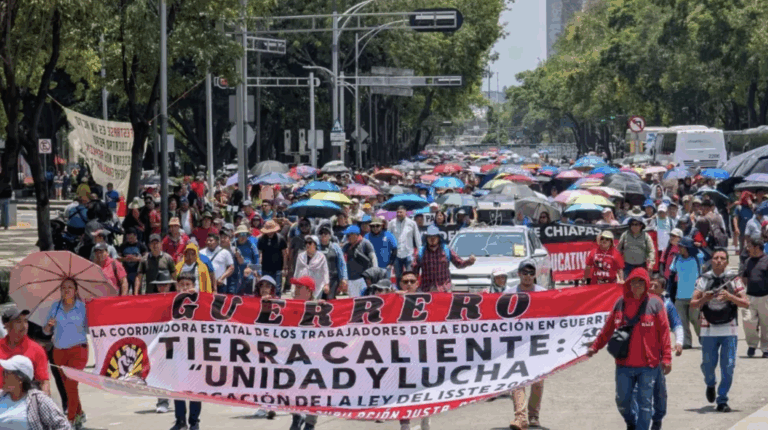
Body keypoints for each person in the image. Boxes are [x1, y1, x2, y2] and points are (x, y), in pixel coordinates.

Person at [587, 268, 672, 430]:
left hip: (649, 365)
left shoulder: (655, 303)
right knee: (622, 401)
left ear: (646, 284)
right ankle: (631, 422)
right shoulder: (620, 303)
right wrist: (595, 347)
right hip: (624, 364)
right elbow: (608, 329)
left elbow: (665, 333)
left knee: (645, 404)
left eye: (641, 281)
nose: (637, 285)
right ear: (628, 283)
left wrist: (667, 358)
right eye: (634, 281)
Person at [690, 248, 749, 413]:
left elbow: (745, 303)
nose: (718, 261)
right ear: (711, 261)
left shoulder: (734, 279)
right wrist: (704, 298)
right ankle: (710, 383)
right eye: (715, 258)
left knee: (728, 367)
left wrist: (730, 297)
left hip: (729, 329)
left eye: (722, 258)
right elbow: (693, 303)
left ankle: (722, 400)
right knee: (708, 365)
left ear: (727, 261)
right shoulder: (704, 279)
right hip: (708, 329)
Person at [506, 260, 547, 430]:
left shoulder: (544, 294)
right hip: (517, 344)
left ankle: (533, 416)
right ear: (519, 274)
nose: (528, 277)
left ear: (535, 275)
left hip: (538, 344)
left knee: (537, 382)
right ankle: (520, 417)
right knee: (518, 380)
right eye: (525, 273)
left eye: (531, 273)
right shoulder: (508, 294)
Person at [42, 278, 88, 427]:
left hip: (78, 351)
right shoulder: (55, 307)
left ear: (75, 291)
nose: (66, 290)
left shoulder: (83, 307)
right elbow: (46, 330)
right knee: (69, 387)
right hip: (59, 352)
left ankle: (70, 420)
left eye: (69, 287)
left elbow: (92, 326)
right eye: (63, 288)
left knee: (71, 385)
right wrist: (49, 326)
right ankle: (80, 414)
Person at [640, 278, 684, 430]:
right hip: (640, 355)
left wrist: (679, 342)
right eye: (650, 284)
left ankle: (658, 418)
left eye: (655, 286)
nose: (651, 287)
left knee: (659, 392)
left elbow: (677, 324)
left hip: (658, 356)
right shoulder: (638, 302)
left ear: (662, 290)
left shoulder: (667, 305)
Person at [0, 355, 69, 430]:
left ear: (20, 378)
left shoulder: (38, 400)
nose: (2, 376)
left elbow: (63, 426)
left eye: (6, 372)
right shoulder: (1, 397)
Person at [170, 272, 203, 430]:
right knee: (178, 387)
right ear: (177, 286)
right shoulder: (170, 302)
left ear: (193, 286)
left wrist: (197, 297)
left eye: (187, 285)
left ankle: (194, 421)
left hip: (196, 350)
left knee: (195, 388)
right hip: (177, 350)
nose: (184, 287)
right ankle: (180, 420)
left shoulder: (202, 301)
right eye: (181, 285)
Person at [288, 275, 319, 430]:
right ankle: (296, 416)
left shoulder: (320, 308)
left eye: (299, 287)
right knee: (292, 388)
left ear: (309, 291)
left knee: (313, 392)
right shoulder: (290, 306)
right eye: (295, 287)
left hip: (314, 358)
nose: (295, 290)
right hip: (294, 357)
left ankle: (310, 423)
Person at [0, 308, 50, 397]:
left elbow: (43, 382)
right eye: (18, 321)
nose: (24, 325)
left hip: (25, 403)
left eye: (26, 321)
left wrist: (45, 404)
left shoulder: (37, 349)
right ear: (6, 325)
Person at [413, 225, 475, 292]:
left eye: (435, 237)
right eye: (430, 237)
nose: (432, 239)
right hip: (426, 290)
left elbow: (459, 264)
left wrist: (469, 261)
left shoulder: (446, 250)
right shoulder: (420, 252)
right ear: (426, 238)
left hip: (444, 290)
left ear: (439, 238)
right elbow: (414, 271)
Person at [670, 237, 704, 349]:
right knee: (682, 321)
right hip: (679, 296)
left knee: (695, 318)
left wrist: (698, 246)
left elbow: (707, 254)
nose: (678, 248)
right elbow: (671, 274)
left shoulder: (697, 258)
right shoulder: (676, 259)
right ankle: (686, 342)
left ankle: (703, 337)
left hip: (694, 295)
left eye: (681, 246)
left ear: (687, 248)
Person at [741, 235, 768, 358]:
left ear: (757, 247)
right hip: (750, 296)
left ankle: (766, 348)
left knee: (766, 324)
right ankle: (752, 345)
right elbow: (745, 277)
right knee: (748, 321)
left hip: (765, 297)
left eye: (749, 246)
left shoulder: (767, 260)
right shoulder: (748, 261)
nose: (747, 248)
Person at [342, 225, 378, 297]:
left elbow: (373, 259)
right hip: (351, 279)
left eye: (349, 235)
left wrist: (373, 274)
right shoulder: (346, 246)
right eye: (347, 235)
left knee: (365, 298)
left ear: (355, 235)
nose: (347, 237)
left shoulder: (365, 243)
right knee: (353, 300)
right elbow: (342, 262)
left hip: (363, 279)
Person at [388, 206, 421, 284]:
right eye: (397, 212)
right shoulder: (391, 223)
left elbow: (417, 238)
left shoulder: (412, 223)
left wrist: (419, 252)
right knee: (398, 276)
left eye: (401, 212)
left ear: (405, 212)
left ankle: (410, 293)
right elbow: (388, 237)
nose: (399, 214)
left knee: (410, 276)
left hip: (408, 254)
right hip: (396, 254)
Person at [293, 235, 329, 299]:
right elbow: (297, 270)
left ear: (315, 244)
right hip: (303, 286)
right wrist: (294, 285)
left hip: (317, 284)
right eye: (306, 243)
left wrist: (326, 284)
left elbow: (325, 271)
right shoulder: (300, 256)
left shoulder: (321, 257)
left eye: (310, 243)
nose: (307, 245)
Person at [257, 220, 288, 295]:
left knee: (277, 289)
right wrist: (258, 267)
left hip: (277, 268)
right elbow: (259, 253)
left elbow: (285, 253)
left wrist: (285, 267)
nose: (270, 233)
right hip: (265, 267)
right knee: (265, 288)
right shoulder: (261, 239)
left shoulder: (281, 239)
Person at [317, 226, 348, 299]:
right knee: (320, 299)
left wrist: (343, 278)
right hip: (319, 278)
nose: (323, 235)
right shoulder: (316, 247)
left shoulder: (335, 247)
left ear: (330, 236)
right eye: (321, 233)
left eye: (326, 233)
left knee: (330, 298)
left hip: (333, 278)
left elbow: (342, 263)